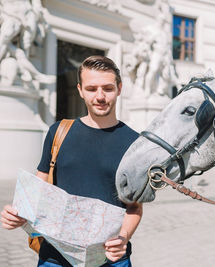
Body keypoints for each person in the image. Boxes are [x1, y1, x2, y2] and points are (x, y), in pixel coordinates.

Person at [0, 55, 142, 267]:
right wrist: (18, 214)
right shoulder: (58, 132)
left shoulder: (135, 143)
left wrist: (123, 237)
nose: (100, 96)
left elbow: (134, 207)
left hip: (110, 259)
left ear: (119, 88)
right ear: (80, 90)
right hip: (54, 257)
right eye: (92, 88)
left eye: (108, 88)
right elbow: (37, 192)